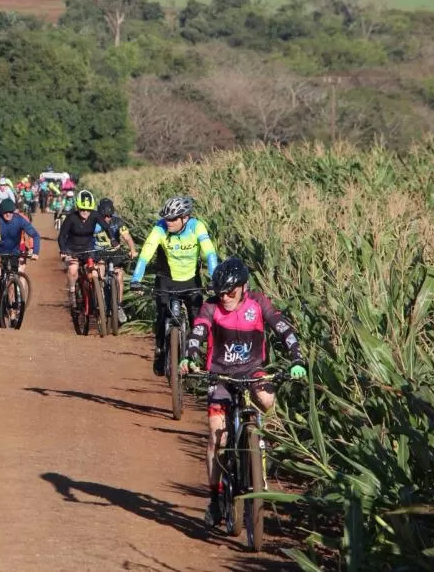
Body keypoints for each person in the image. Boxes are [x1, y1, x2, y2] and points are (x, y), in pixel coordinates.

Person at [180, 257, 307, 528]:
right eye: (220, 292)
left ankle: (267, 446)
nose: (224, 297)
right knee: (218, 436)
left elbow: (283, 328)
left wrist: (297, 358)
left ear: (243, 287)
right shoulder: (211, 307)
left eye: (230, 291)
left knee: (267, 399)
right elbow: (198, 331)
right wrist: (189, 355)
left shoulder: (259, 303)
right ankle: (215, 499)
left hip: (253, 372)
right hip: (220, 374)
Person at [130, 196, 218, 377]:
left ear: (185, 218)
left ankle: (194, 359)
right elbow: (146, 253)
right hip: (166, 279)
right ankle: (161, 350)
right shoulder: (160, 227)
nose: (168, 222)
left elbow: (210, 253)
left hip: (191, 280)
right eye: (166, 218)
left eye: (172, 219)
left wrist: (214, 279)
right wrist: (136, 279)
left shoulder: (196, 226)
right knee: (162, 314)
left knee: (198, 319)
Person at [57, 189, 107, 308]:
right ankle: (72, 291)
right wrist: (63, 249)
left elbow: (107, 227)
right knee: (73, 269)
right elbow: (61, 236)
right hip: (72, 248)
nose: (85, 212)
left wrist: (114, 240)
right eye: (82, 209)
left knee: (93, 273)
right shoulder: (71, 218)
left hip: (88, 247)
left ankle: (97, 297)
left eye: (88, 210)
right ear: (78, 208)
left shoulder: (95, 215)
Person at [93, 198, 138, 323]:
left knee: (119, 277)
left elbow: (127, 237)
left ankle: (118, 305)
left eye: (109, 216)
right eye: (104, 216)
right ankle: (100, 302)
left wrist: (132, 250)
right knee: (99, 274)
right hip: (99, 253)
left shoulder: (118, 222)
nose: (107, 218)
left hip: (115, 253)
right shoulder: (94, 223)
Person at [0, 198, 41, 285]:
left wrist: (35, 252)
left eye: (11, 212)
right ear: (1, 211)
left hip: (13, 252)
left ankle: (12, 298)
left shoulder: (19, 220)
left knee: (12, 279)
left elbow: (35, 235)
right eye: (5, 212)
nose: (8, 214)